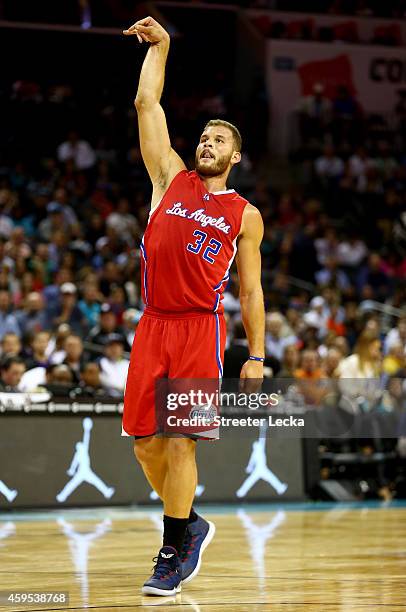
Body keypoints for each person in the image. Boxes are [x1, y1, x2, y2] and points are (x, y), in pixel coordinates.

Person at [122, 16, 265, 597]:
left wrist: (255, 356)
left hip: (199, 330)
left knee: (180, 440)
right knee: (144, 444)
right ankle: (191, 523)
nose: (206, 143)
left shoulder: (245, 215)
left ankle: (172, 547)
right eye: (204, 136)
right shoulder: (168, 178)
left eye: (218, 140)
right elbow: (145, 104)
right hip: (152, 324)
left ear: (235, 157)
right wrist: (162, 47)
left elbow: (252, 291)